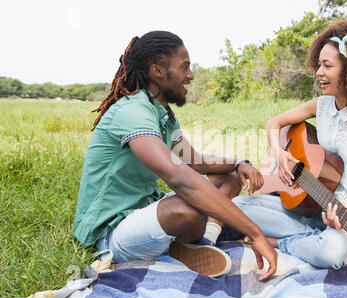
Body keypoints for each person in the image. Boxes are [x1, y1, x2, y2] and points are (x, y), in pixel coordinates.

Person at [73, 31, 277, 281]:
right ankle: (181, 245)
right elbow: (179, 176)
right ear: (157, 71)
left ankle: (202, 243)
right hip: (110, 233)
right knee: (187, 207)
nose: (190, 75)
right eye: (185, 68)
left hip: (142, 212)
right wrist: (254, 233)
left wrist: (239, 163)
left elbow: (196, 162)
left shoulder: (161, 113)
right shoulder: (132, 111)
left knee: (229, 177)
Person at [230, 20, 347, 269]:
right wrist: (280, 155)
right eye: (319, 64)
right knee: (238, 206)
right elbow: (274, 123)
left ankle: (279, 243)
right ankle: (309, 236)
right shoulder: (320, 105)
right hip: (312, 206)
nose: (319, 72)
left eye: (327, 65)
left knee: (330, 252)